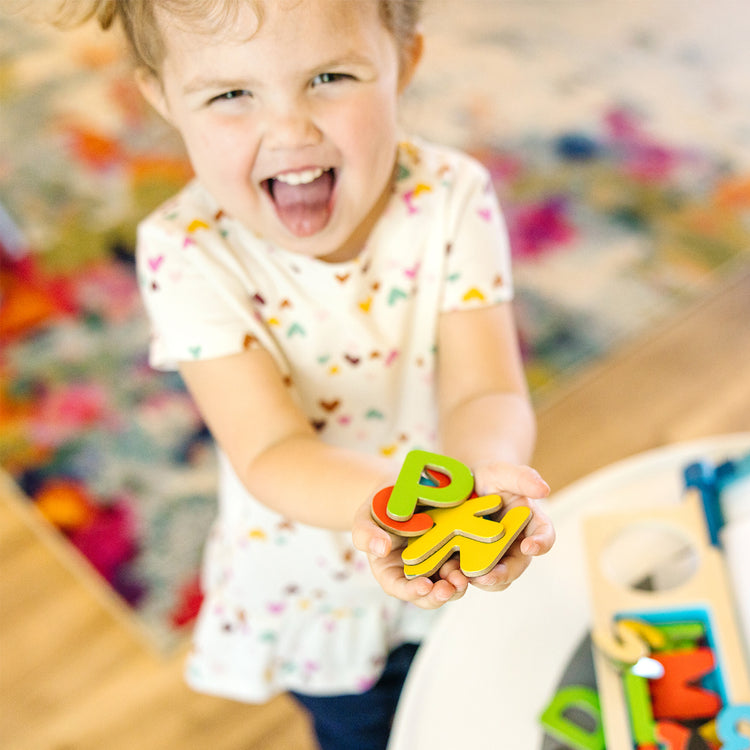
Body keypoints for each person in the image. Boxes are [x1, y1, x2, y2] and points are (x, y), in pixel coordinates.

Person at [51, 1, 555, 747]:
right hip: (315, 587)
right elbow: (271, 452)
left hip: (452, 555)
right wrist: (398, 514)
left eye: (329, 76)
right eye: (230, 94)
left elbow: (488, 389)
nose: (291, 130)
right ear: (162, 98)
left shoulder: (451, 197)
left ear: (404, 63)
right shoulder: (186, 252)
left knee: (482, 707)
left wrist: (485, 480)